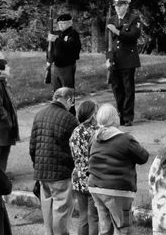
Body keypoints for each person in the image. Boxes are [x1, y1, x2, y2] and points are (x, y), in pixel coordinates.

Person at [88, 104, 150, 235]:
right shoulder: (125, 139)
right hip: (117, 190)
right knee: (122, 229)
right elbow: (143, 157)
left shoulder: (95, 138)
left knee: (105, 229)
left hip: (95, 187)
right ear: (115, 119)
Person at [30, 87, 79, 235]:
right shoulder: (69, 118)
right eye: (72, 102)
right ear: (69, 99)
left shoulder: (39, 115)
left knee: (48, 207)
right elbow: (75, 148)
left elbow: (33, 146)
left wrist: (37, 164)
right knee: (61, 210)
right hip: (61, 172)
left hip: (42, 172)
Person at [106, 0, 142, 126]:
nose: (117, 8)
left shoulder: (133, 19)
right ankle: (119, 115)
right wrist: (108, 59)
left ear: (126, 6)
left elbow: (134, 35)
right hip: (115, 59)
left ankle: (128, 117)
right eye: (116, 6)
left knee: (128, 89)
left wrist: (117, 31)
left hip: (128, 59)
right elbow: (108, 43)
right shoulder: (111, 20)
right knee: (117, 88)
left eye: (120, 6)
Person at [69, 100, 100, 235]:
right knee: (93, 217)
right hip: (92, 177)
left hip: (78, 176)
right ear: (93, 115)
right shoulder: (96, 132)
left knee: (83, 217)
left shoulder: (75, 131)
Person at [47, 12, 82, 91]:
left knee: (67, 91)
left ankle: (69, 104)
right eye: (59, 23)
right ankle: (58, 103)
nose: (60, 25)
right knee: (57, 91)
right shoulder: (59, 34)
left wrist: (56, 40)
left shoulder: (73, 34)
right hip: (57, 65)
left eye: (63, 23)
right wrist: (48, 59)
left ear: (70, 23)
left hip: (67, 65)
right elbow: (50, 48)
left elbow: (70, 46)